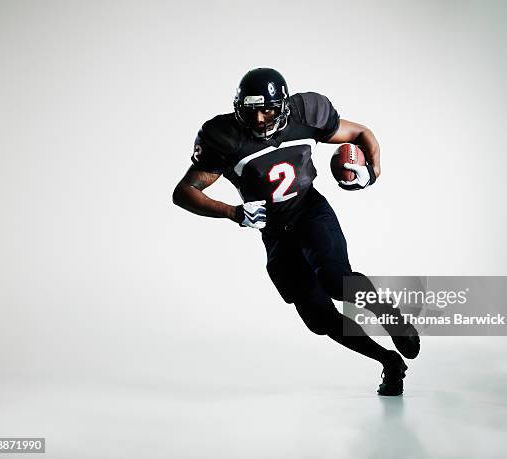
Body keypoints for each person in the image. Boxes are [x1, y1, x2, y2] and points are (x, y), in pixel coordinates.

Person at [172, 68, 419, 395]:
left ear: (284, 106)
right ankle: (388, 361)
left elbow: (362, 133)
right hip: (274, 231)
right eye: (252, 110)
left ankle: (391, 315)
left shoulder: (306, 115)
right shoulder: (224, 137)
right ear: (238, 108)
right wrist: (233, 213)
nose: (260, 119)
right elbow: (184, 192)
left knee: (336, 280)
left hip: (309, 212)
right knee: (318, 317)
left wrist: (371, 173)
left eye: (268, 110)